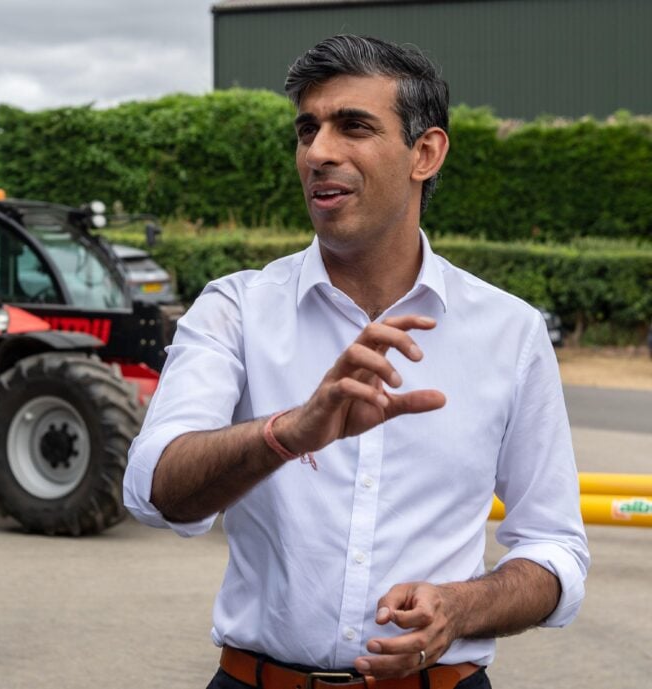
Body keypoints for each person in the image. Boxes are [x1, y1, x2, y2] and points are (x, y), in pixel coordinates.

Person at [123, 35, 589, 689]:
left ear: (425, 152)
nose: (318, 152)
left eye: (354, 126)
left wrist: (462, 606)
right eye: (307, 129)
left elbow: (554, 547)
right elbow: (154, 488)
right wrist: (283, 434)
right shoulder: (235, 308)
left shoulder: (509, 332)